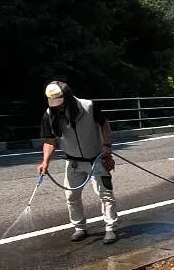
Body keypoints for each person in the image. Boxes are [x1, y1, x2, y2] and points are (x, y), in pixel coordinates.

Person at [37, 80, 119, 243]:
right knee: (71, 196)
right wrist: (45, 161)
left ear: (67, 97)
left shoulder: (88, 106)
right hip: (73, 162)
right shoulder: (50, 114)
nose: (57, 106)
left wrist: (107, 146)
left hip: (96, 158)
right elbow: (49, 140)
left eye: (60, 102)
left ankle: (110, 228)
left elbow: (105, 125)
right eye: (53, 102)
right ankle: (79, 228)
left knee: (105, 195)